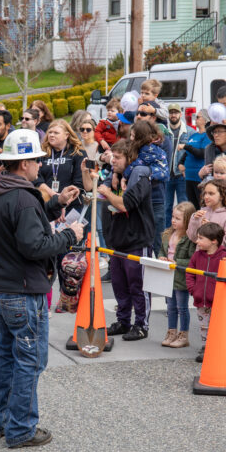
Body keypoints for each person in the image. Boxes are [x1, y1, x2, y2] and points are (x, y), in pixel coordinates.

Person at [0, 129, 84, 448]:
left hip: (2, 287)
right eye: (36, 160)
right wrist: (70, 235)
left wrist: (57, 204)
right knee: (29, 360)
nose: (40, 165)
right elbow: (34, 245)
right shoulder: (24, 198)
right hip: (23, 291)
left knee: (5, 358)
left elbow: (23, 224)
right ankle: (21, 429)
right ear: (23, 163)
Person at [86, 139, 155, 341]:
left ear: (129, 158)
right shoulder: (115, 175)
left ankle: (141, 324)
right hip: (117, 239)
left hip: (137, 239)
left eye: (118, 157)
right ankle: (123, 321)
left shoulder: (140, 176)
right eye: (112, 156)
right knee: (119, 284)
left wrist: (107, 192)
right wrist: (86, 173)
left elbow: (126, 205)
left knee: (138, 285)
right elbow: (93, 189)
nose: (113, 161)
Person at [186, 222, 226, 362]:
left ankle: (220, 349)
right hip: (201, 301)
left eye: (201, 238)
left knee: (219, 327)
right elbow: (190, 273)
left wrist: (221, 296)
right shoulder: (197, 256)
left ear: (214, 241)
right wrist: (193, 289)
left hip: (218, 302)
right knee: (204, 327)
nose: (197, 241)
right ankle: (205, 348)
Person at [159, 201, 196, 348]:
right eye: (173, 217)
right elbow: (162, 250)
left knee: (182, 307)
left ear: (187, 221)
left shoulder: (189, 239)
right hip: (168, 277)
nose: (173, 220)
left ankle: (183, 335)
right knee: (170, 307)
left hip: (181, 278)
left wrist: (176, 262)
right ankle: (171, 332)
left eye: (178, 218)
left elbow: (192, 259)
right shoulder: (168, 234)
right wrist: (161, 257)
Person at [128, 120, 169, 254]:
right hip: (140, 201)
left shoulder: (153, 150)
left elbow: (165, 174)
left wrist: (148, 173)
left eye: (133, 136)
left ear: (141, 136)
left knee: (157, 240)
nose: (131, 138)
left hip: (156, 200)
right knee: (140, 240)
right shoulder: (135, 149)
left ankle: (158, 269)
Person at [187, 179, 226, 254]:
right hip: (200, 257)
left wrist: (211, 230)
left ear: (221, 196)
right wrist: (195, 220)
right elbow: (193, 238)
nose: (206, 197)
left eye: (211, 194)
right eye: (205, 193)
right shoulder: (203, 211)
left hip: (219, 260)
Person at [165, 103, 194, 227]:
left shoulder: (190, 132)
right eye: (171, 112)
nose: (173, 115)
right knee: (166, 207)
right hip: (166, 175)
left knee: (183, 208)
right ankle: (166, 235)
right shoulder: (163, 131)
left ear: (180, 114)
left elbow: (192, 152)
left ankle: (184, 234)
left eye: (175, 112)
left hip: (181, 176)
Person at [180, 109, 211, 209]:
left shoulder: (207, 136)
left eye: (198, 117)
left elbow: (201, 153)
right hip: (189, 176)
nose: (195, 119)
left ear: (205, 120)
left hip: (199, 177)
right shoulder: (194, 135)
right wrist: (181, 163)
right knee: (192, 207)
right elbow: (187, 153)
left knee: (201, 206)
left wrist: (185, 146)